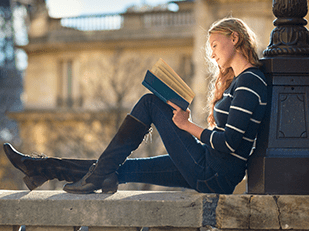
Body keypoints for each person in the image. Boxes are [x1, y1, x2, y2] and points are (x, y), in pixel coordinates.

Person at [3, 17, 267, 194]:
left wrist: (187, 126)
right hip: (209, 166)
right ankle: (42, 169)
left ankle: (81, 173)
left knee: (151, 102)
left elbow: (229, 143)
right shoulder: (241, 82)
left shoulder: (249, 82)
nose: (211, 53)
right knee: (121, 170)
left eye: (214, 45)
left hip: (214, 172)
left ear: (234, 38)